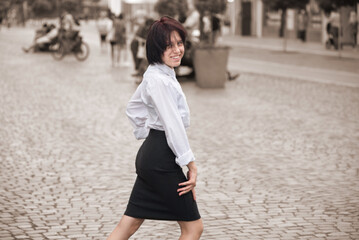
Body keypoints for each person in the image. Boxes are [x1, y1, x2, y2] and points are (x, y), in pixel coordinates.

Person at [107, 16, 203, 240]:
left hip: (153, 155)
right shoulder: (159, 79)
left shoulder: (158, 73)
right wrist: (191, 164)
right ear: (156, 48)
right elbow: (173, 125)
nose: (177, 50)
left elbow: (134, 107)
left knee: (129, 225)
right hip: (161, 160)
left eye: (179, 43)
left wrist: (148, 132)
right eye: (168, 45)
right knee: (193, 228)